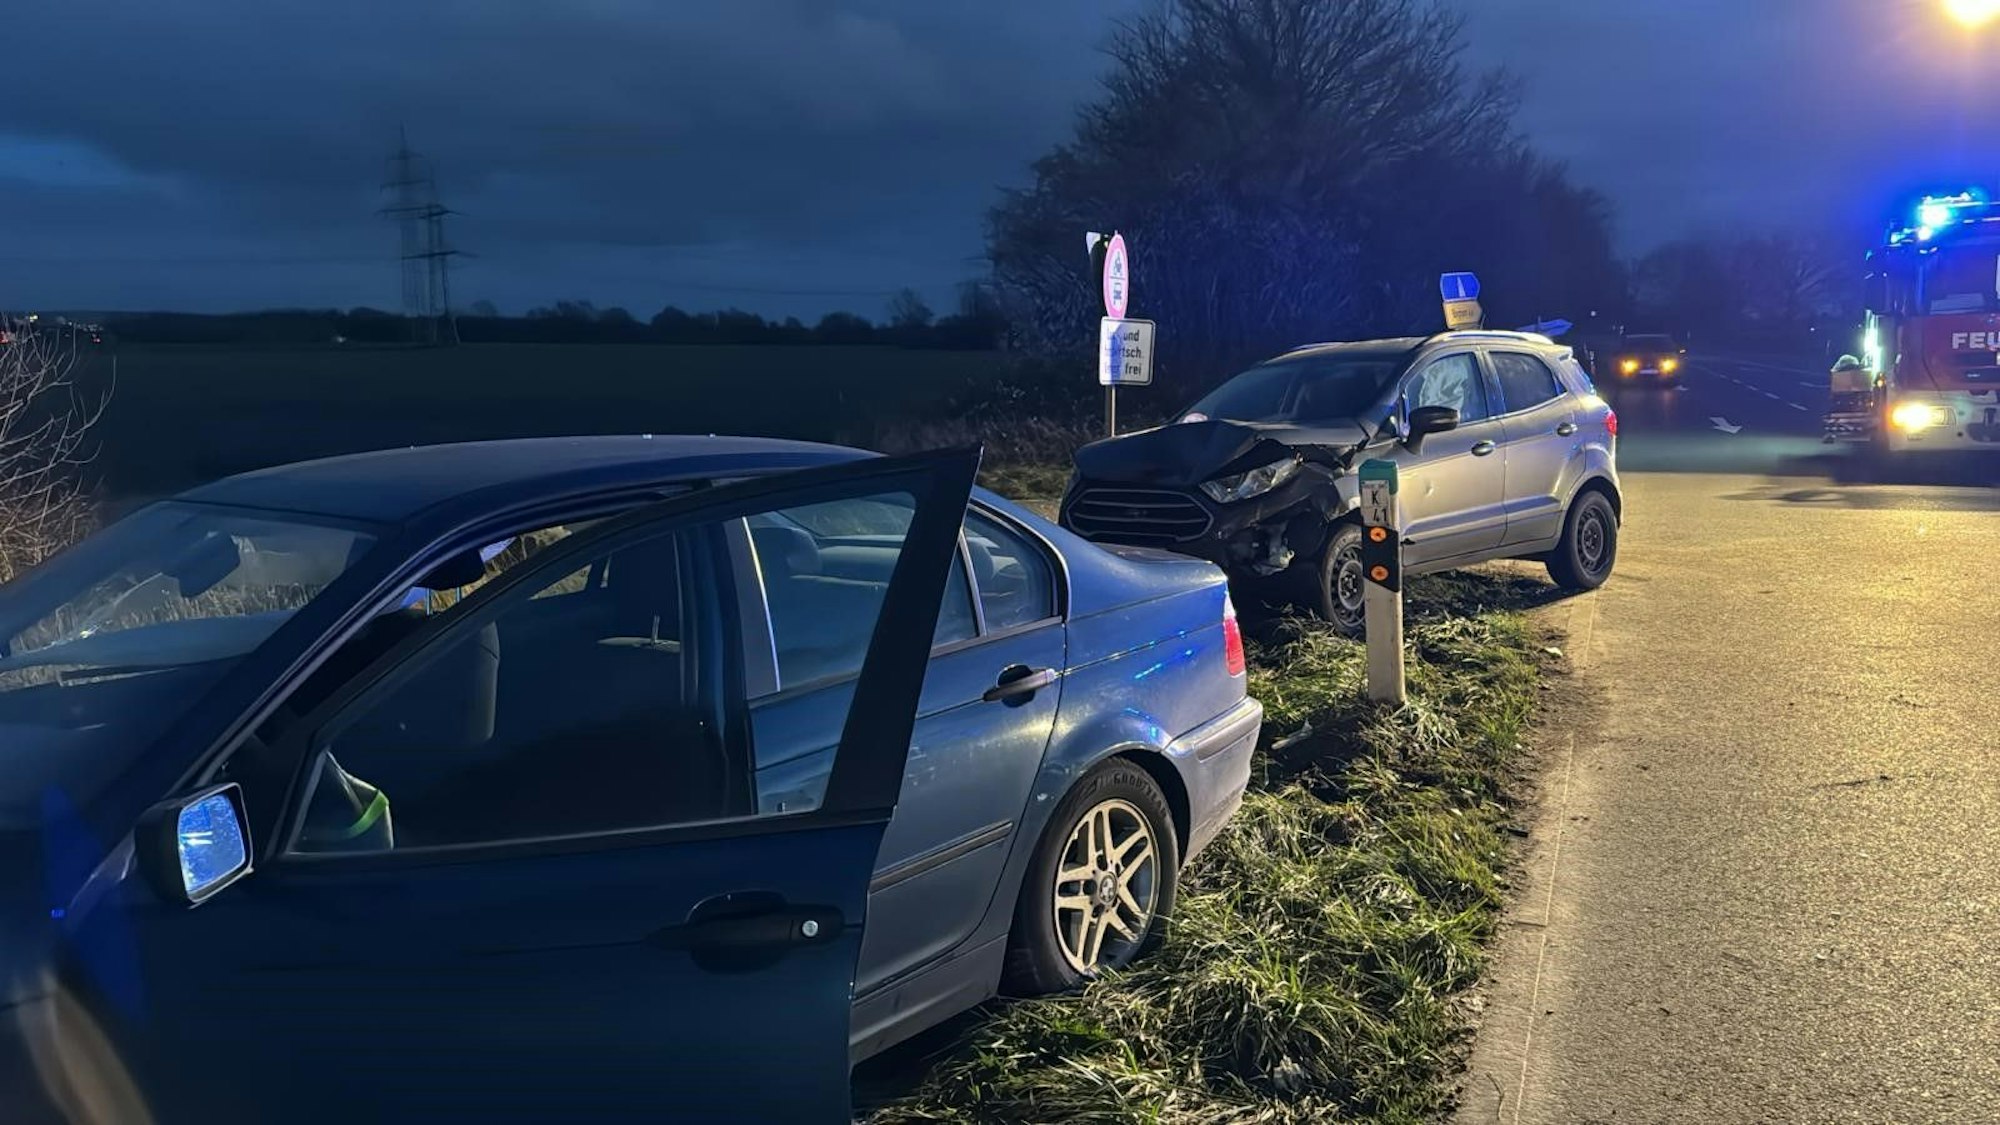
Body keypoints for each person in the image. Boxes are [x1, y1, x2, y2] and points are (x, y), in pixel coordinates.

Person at [1825, 354, 1875, 443]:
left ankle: (1831, 433)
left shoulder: (1841, 375)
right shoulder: (1858, 373)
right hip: (1852, 397)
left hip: (1845, 398)